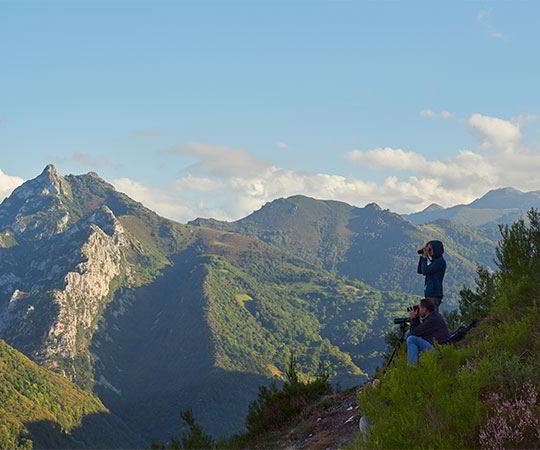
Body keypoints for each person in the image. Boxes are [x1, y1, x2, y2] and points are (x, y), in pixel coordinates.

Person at [406, 298, 449, 365]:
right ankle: (415, 365)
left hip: (438, 350)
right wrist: (416, 318)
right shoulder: (434, 316)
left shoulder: (431, 320)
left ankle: (412, 368)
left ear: (425, 309)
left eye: (419, 308)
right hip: (439, 347)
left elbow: (413, 333)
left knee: (411, 339)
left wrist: (414, 318)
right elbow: (418, 331)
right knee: (413, 339)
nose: (418, 311)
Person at [417, 240, 446, 311]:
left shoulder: (440, 262)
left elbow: (425, 271)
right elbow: (420, 270)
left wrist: (424, 257)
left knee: (432, 316)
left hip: (434, 295)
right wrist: (422, 257)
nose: (428, 251)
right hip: (430, 294)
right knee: (428, 316)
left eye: (430, 249)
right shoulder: (435, 262)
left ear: (436, 249)